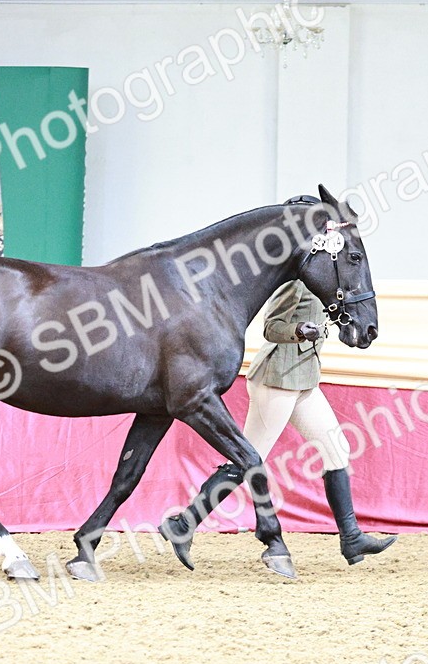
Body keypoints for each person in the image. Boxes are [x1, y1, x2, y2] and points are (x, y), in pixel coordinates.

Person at [160, 237, 396, 570]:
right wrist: (300, 329)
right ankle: (184, 524)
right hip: (278, 378)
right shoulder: (298, 282)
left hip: (305, 380)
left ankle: (351, 537)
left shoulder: (333, 281)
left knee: (336, 448)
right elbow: (271, 327)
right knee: (247, 459)